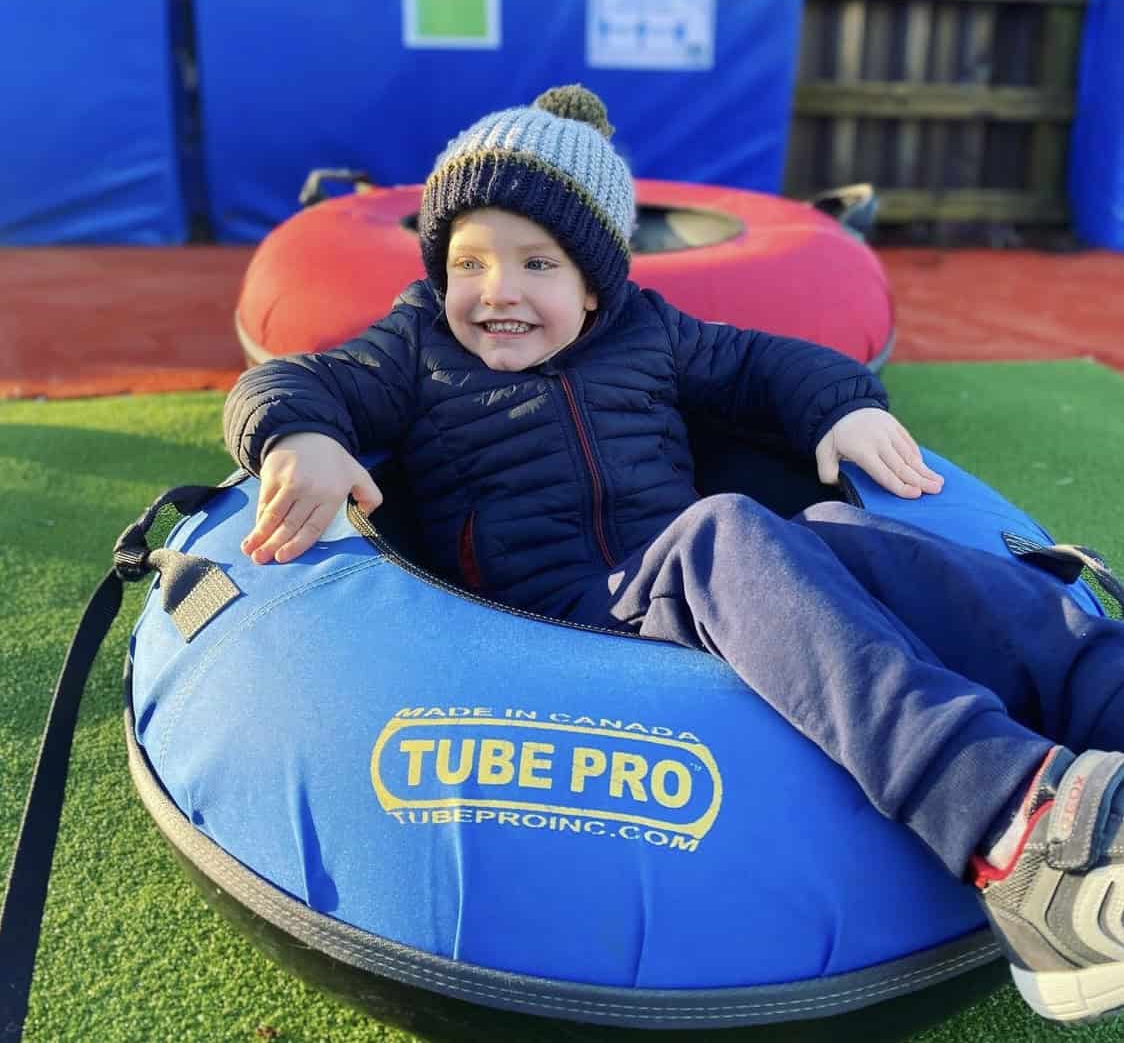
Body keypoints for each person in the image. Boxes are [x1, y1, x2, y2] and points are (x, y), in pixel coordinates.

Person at [223, 84, 1124, 1025]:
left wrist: (844, 406)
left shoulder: (648, 333)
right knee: (724, 528)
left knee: (848, 538)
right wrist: (296, 437)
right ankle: (1014, 835)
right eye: (470, 261)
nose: (499, 292)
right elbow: (291, 380)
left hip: (690, 583)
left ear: (596, 279)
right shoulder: (416, 346)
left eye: (538, 262)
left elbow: (766, 362)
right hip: (559, 624)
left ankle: (1105, 694)